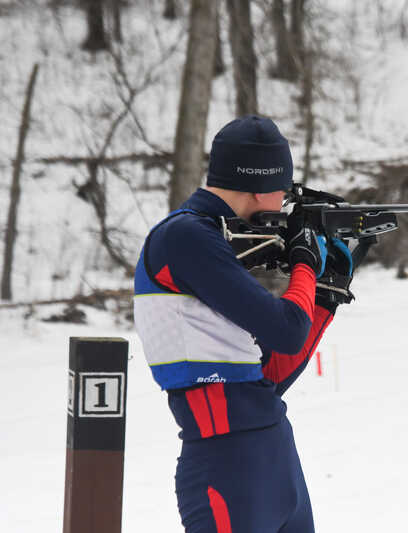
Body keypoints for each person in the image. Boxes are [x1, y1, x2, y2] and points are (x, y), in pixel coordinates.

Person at [134, 115, 354, 533]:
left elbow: (268, 377)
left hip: (274, 455)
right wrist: (305, 263)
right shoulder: (183, 238)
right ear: (260, 187)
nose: (283, 203)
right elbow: (288, 330)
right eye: (283, 193)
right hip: (226, 464)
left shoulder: (209, 240)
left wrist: (324, 295)